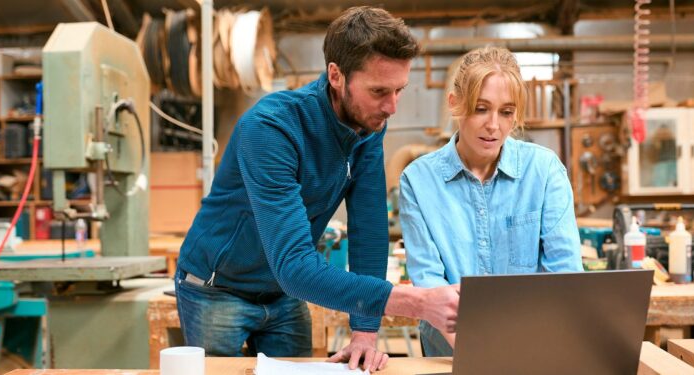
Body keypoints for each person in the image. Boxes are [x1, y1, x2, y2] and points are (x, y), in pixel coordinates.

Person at [175, 6, 459, 372]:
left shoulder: (369, 124)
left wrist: (365, 331)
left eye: (399, 90)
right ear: (336, 75)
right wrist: (416, 303)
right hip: (217, 288)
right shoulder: (271, 129)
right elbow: (294, 265)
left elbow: (369, 232)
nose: (391, 107)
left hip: (284, 293)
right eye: (378, 91)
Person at [398, 46, 583, 357]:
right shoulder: (418, 181)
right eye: (481, 108)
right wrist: (481, 357)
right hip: (451, 354)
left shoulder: (544, 170)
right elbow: (430, 286)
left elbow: (564, 276)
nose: (494, 125)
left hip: (534, 349)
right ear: (455, 104)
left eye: (506, 112)